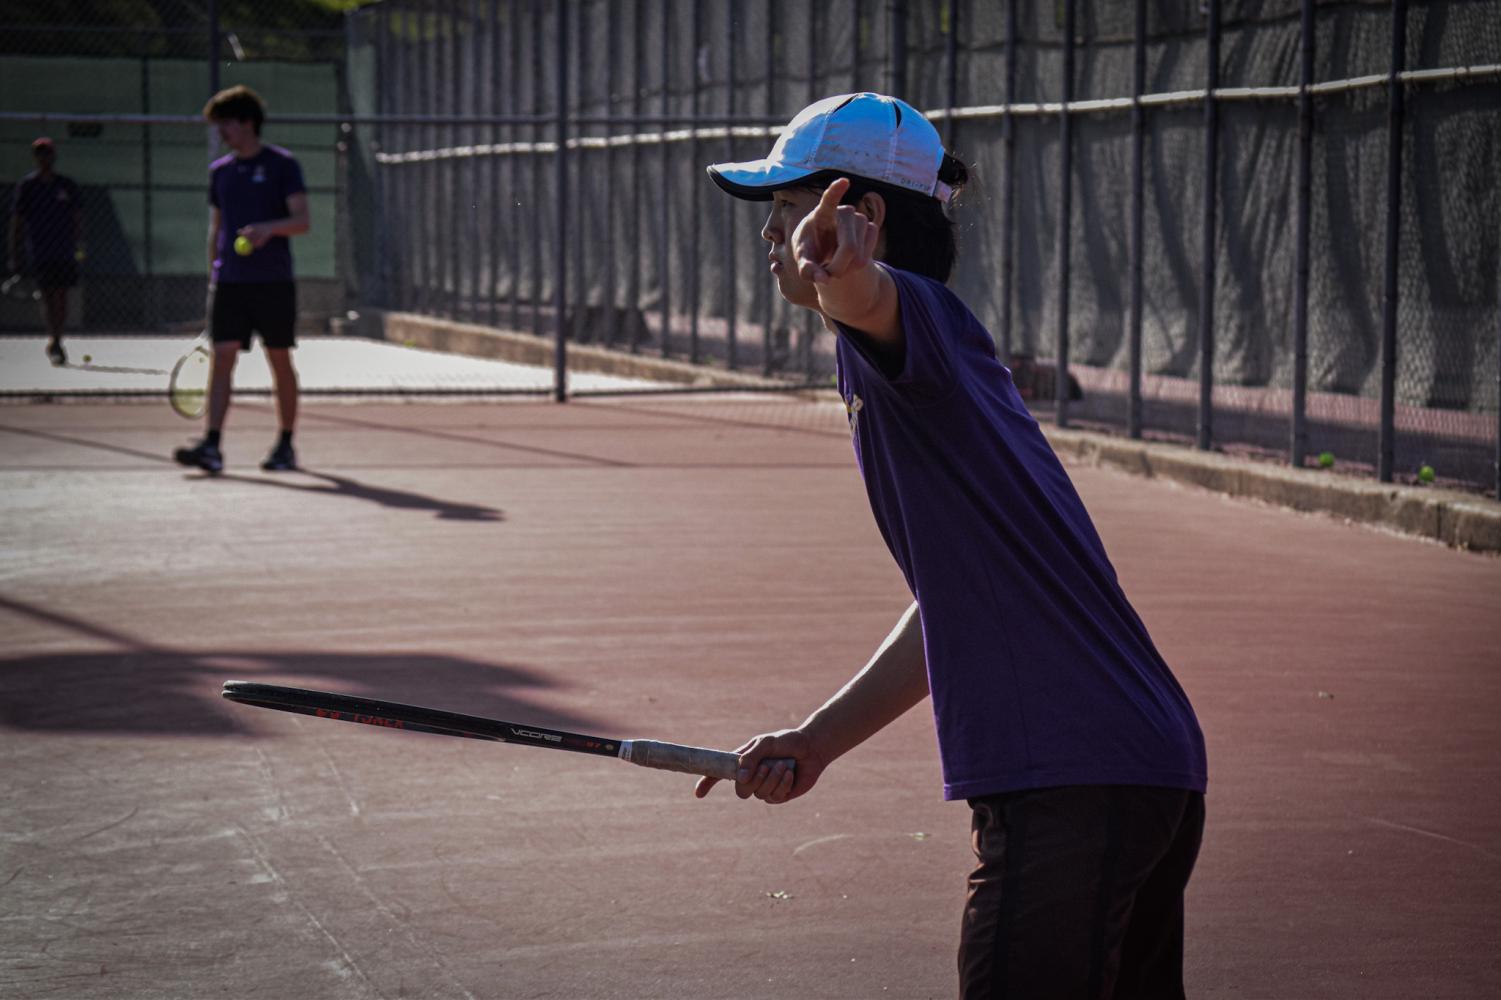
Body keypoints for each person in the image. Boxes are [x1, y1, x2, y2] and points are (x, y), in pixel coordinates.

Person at [696, 93, 1208, 999]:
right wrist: (819, 739)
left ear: (864, 216)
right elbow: (955, 600)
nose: (771, 231)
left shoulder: (910, 322)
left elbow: (870, 294)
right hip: (1127, 766)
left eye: (789, 207)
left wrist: (842, 277)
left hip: (1072, 780)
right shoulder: (924, 359)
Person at [174, 85, 309, 475]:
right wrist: (214, 275)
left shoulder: (283, 165)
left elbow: (302, 221)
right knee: (224, 360)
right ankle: (212, 446)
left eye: (226, 125)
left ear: (248, 123)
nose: (221, 134)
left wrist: (268, 229)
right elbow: (216, 230)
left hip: (273, 283)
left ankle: (285, 443)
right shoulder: (221, 173)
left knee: (279, 360)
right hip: (230, 284)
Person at [8, 137, 85, 367]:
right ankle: (54, 339)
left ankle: (58, 340)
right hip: (40, 250)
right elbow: (17, 222)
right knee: (48, 295)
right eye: (40, 154)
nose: (44, 158)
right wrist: (15, 252)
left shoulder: (66, 185)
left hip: (64, 250)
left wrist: (80, 247)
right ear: (36, 158)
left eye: (48, 153)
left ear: (54, 156)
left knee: (61, 295)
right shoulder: (28, 186)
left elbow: (78, 219)